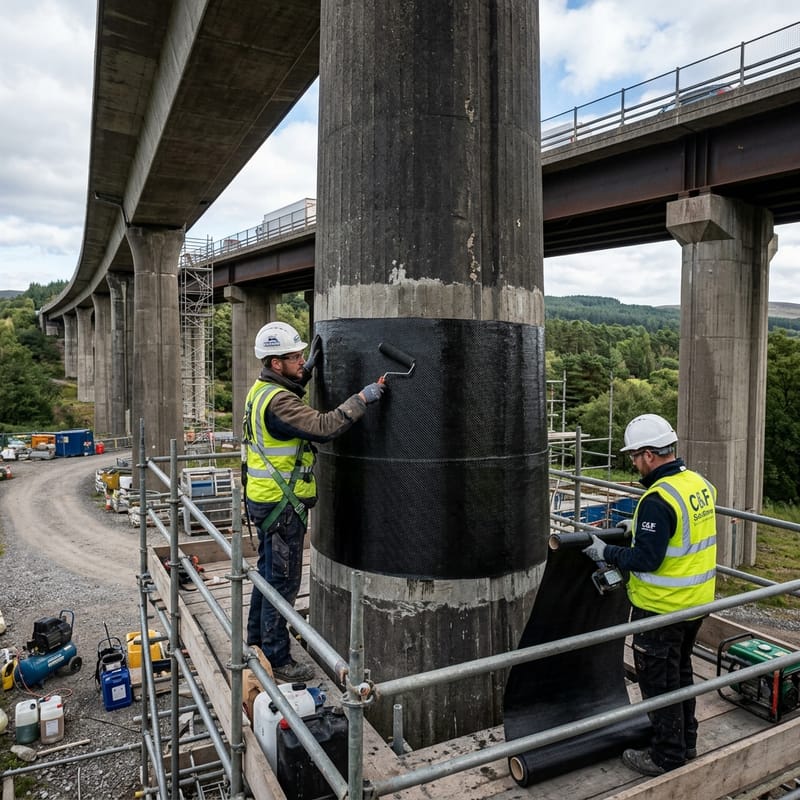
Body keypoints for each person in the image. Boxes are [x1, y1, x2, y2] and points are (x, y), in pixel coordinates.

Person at [243, 321, 385, 682]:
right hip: (281, 508)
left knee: (267, 575)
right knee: (283, 584)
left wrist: (307, 369)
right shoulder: (279, 403)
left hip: (264, 502)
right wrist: (362, 399)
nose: (301, 359)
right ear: (276, 363)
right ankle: (277, 659)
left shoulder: (261, 391)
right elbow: (323, 426)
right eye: (295, 357)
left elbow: (291, 393)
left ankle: (255, 643)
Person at [582, 413, 717, 776]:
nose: (635, 464)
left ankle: (666, 757)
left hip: (660, 610)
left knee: (659, 685)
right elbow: (679, 535)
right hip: (694, 606)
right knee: (681, 674)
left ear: (650, 455)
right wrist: (640, 528)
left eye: (635, 458)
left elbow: (647, 559)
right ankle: (686, 743)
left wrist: (605, 552)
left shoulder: (658, 499)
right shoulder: (698, 484)